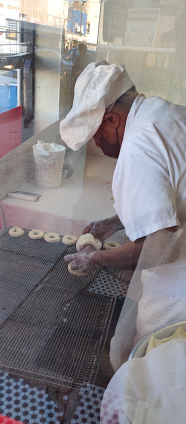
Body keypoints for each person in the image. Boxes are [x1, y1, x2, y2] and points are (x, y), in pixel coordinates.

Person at [59, 61, 186, 370]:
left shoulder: (137, 148)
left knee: (152, 372)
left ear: (112, 118)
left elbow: (160, 248)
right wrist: (113, 222)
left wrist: (96, 260)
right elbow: (171, 192)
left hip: (177, 293)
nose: (98, 145)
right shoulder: (164, 113)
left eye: (96, 135)